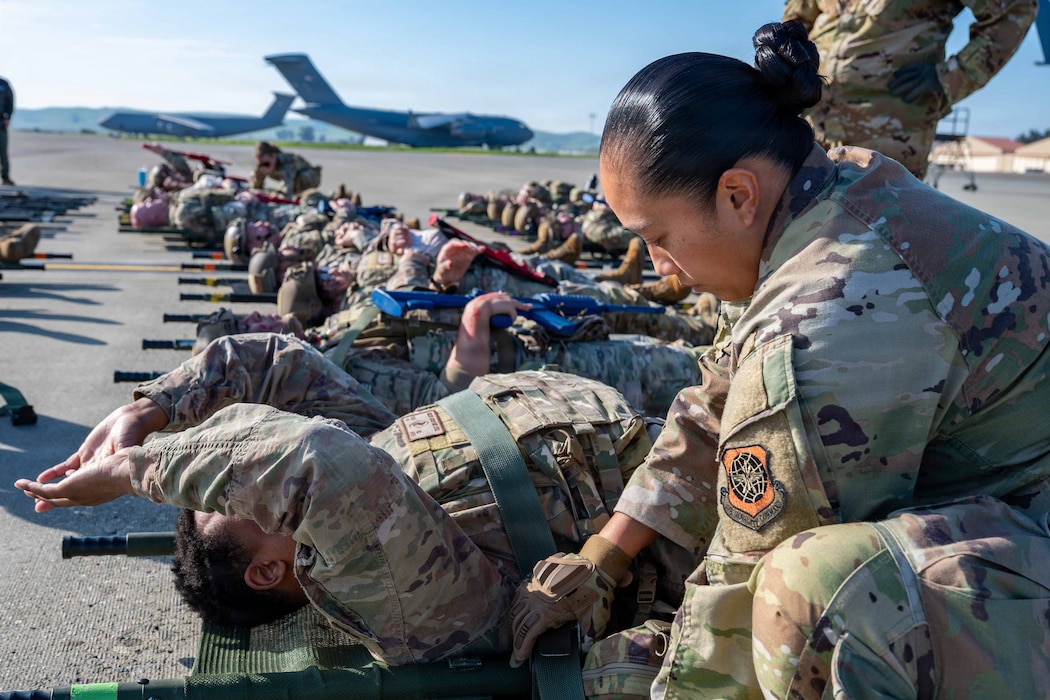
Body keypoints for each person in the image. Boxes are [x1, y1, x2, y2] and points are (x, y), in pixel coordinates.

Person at [508, 20, 1050, 699]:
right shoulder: (817, 195)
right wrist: (604, 557)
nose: (662, 270)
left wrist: (643, 676)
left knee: (818, 596)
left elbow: (741, 580)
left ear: (737, 194)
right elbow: (714, 407)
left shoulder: (835, 306)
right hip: (1010, 498)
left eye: (660, 237)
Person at [15, 367, 693, 668]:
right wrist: (142, 470)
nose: (254, 486)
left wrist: (150, 408)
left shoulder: (375, 488)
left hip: (675, 447)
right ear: (269, 571)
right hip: (697, 515)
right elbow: (309, 461)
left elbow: (287, 367)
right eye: (245, 503)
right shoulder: (389, 595)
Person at [782, 0, 1037, 179]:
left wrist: (950, 77)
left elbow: (1016, 9)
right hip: (809, 125)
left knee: (875, 242)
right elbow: (796, 21)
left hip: (887, 132)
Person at [249, 141, 322, 196]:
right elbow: (255, 188)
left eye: (266, 164)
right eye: (260, 164)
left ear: (274, 156)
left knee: (300, 179)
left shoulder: (287, 163)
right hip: (291, 179)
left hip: (310, 178)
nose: (263, 167)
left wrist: (280, 195)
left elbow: (287, 191)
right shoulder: (264, 165)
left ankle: (301, 196)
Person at [0, 74, 14, 185]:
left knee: (3, 150)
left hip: (0, 120)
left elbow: (10, 101)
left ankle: (5, 177)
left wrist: (8, 117)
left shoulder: (3, 84)